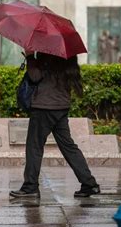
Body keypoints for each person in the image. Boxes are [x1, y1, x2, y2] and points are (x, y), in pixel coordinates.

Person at [10, 51, 100, 198]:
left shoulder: (48, 55)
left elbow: (35, 76)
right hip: (61, 107)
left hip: (44, 107)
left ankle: (30, 187)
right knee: (68, 147)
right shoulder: (67, 57)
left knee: (34, 146)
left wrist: (30, 57)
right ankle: (90, 184)